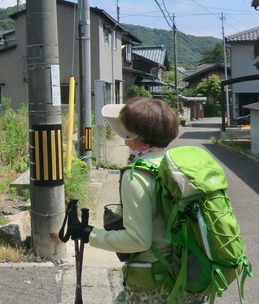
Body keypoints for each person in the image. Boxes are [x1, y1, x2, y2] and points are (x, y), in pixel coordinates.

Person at [68, 97, 206, 304]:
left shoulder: (137, 174)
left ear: (132, 133)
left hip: (155, 284)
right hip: (191, 275)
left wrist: (90, 234)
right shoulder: (178, 165)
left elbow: (138, 240)